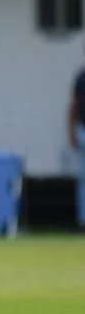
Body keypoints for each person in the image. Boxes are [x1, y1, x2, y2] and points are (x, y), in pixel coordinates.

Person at [71, 63, 85, 232]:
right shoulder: (82, 78)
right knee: (83, 180)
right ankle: (83, 222)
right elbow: (74, 105)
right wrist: (72, 131)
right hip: (83, 129)